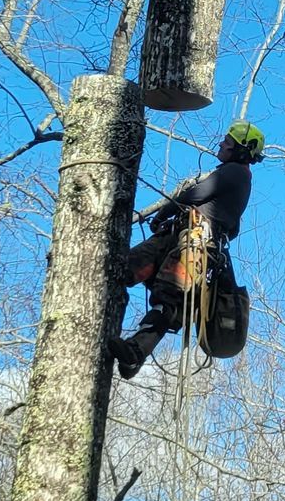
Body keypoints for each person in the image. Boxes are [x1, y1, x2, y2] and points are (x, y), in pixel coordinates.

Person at [112, 122, 264, 379]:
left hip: (194, 245)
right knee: (125, 269)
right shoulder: (238, 179)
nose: (221, 144)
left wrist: (163, 213)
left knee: (168, 300)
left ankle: (135, 352)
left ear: (241, 149)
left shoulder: (236, 173)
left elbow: (195, 194)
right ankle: (125, 340)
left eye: (227, 142)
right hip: (178, 238)